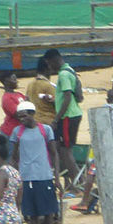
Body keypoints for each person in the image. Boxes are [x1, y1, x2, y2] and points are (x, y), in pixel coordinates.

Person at [72, 88, 113, 213]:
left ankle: (84, 201)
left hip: (102, 145)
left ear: (107, 99)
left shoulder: (100, 110)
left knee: (92, 172)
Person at [8, 100, 59, 224]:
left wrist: (56, 174)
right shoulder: (17, 132)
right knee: (32, 213)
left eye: (24, 116)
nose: (22, 120)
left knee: (48, 211)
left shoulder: (46, 130)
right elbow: (14, 156)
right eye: (19, 117)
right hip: (26, 177)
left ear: (32, 114)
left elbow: (54, 153)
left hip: (44, 175)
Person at [48, 48, 84, 186]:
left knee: (65, 151)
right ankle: (77, 180)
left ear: (54, 60)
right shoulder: (70, 69)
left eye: (50, 64)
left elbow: (67, 97)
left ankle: (79, 182)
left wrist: (56, 119)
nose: (50, 68)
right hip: (72, 114)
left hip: (68, 116)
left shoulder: (63, 74)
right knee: (64, 149)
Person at [26, 58, 58, 128]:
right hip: (48, 122)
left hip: (35, 122)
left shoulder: (30, 85)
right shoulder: (49, 86)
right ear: (48, 69)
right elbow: (58, 106)